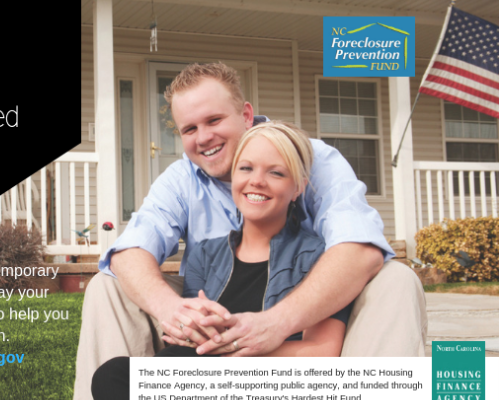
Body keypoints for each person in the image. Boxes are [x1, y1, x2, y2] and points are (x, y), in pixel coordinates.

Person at [73, 62, 426, 400]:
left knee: (396, 279)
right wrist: (172, 311)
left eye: (214, 120)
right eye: (189, 129)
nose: (204, 138)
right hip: (208, 340)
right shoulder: (182, 181)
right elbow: (131, 249)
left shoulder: (308, 158)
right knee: (109, 287)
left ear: (244, 114)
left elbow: (360, 248)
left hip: (294, 328)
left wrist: (275, 325)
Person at [91, 121, 352, 400]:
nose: (257, 181)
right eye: (246, 168)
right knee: (113, 375)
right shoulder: (205, 254)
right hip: (193, 379)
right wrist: (192, 329)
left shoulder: (318, 258)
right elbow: (188, 341)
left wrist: (235, 348)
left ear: (298, 187)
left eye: (276, 172)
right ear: (234, 179)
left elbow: (322, 352)